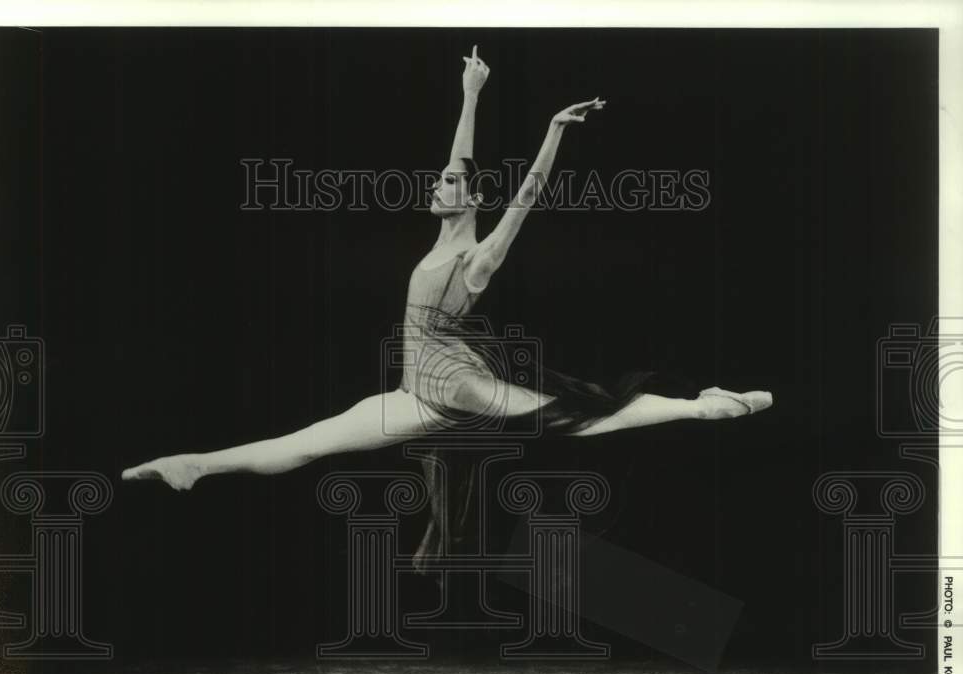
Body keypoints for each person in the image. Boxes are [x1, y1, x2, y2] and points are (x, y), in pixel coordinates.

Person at [123, 46, 772, 571]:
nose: (435, 186)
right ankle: (196, 464)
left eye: (446, 185)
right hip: (420, 392)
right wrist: (471, 94)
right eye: (440, 180)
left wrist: (551, 132)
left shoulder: (477, 260)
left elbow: (526, 198)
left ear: (467, 200)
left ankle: (708, 406)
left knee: (581, 418)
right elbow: (463, 159)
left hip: (460, 387)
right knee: (309, 443)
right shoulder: (443, 235)